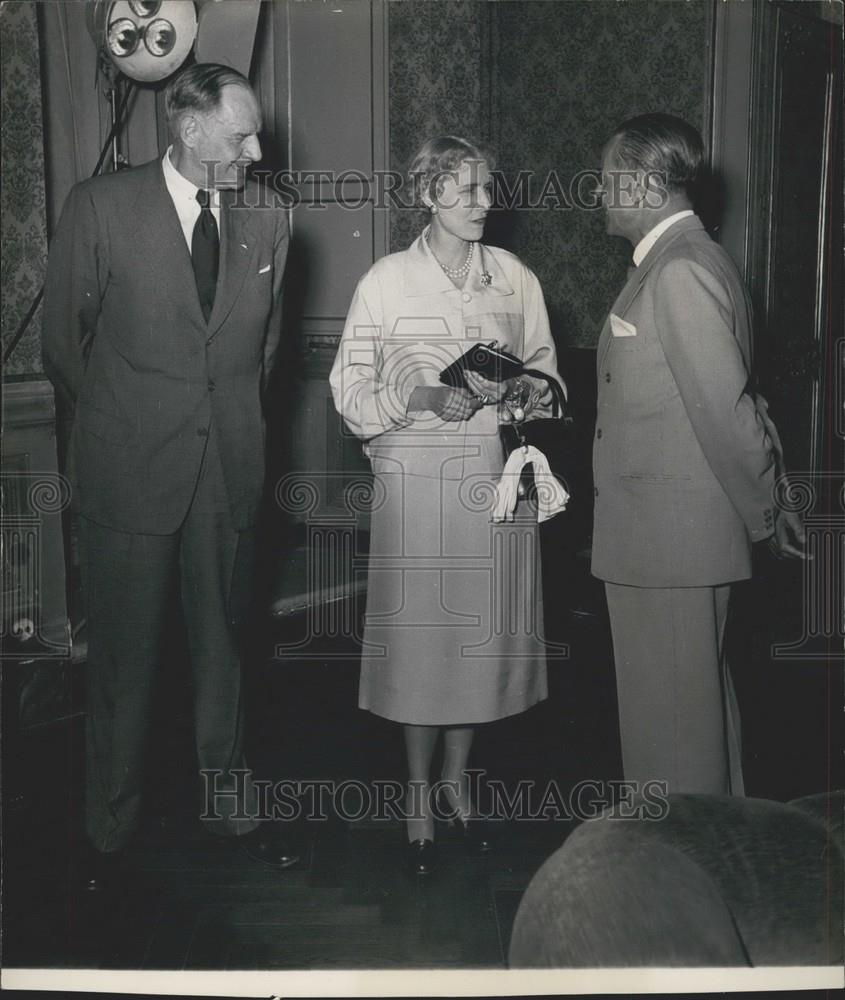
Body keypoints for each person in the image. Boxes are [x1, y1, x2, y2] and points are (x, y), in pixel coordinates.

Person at [42, 63, 296, 887]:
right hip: (129, 475)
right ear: (187, 131)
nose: (256, 150)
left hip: (228, 468)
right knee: (124, 658)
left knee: (226, 647)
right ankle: (110, 823)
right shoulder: (100, 207)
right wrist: (130, 426)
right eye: (239, 136)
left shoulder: (268, 216)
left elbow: (264, 353)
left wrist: (224, 429)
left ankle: (228, 799)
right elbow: (63, 348)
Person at [330, 136, 565, 875]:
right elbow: (347, 393)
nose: (482, 205)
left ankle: (459, 780)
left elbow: (550, 379)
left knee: (478, 644)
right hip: (416, 482)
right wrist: (418, 395)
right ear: (428, 194)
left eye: (487, 189)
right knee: (423, 641)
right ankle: (415, 794)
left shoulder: (513, 279)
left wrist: (531, 390)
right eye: (465, 191)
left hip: (495, 478)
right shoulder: (386, 282)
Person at [592, 113, 805, 795]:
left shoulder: (679, 270)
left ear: (643, 184)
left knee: (671, 742)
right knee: (695, 723)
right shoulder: (690, 257)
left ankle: (677, 887)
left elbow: (728, 412)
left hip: (668, 548)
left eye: (606, 180)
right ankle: (714, 867)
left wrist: (769, 511)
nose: (598, 194)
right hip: (668, 545)